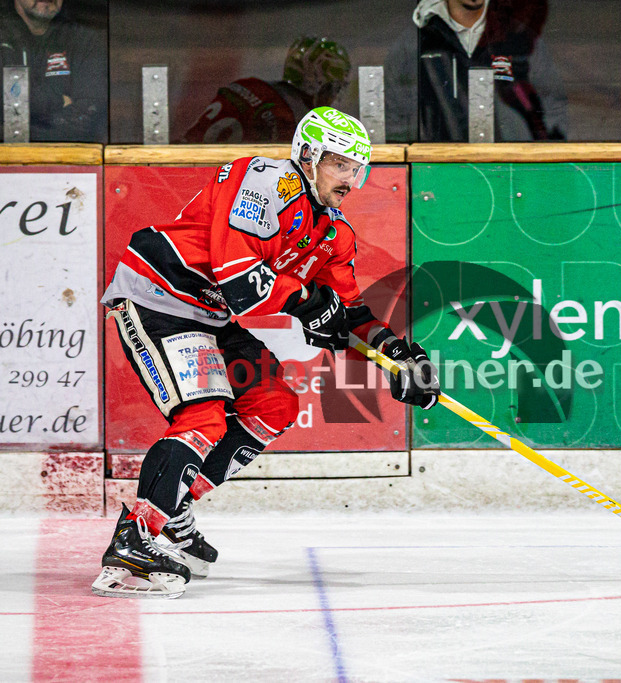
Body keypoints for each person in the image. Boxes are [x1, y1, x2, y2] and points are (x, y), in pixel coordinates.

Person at [92, 107, 441, 599]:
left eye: (356, 168)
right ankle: (134, 539)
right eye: (339, 164)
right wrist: (308, 303)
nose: (349, 179)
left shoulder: (333, 233)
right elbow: (240, 280)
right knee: (203, 418)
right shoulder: (262, 180)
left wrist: (399, 355)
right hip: (158, 296)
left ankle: (170, 509)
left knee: (274, 404)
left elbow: (349, 312)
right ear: (308, 156)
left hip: (210, 317)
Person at [384, 0, 568, 142]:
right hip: (436, 173)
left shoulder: (521, 40)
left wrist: (541, 165)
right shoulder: (413, 46)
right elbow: (394, 122)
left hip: (513, 172)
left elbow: (553, 111)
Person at [0, 0, 107, 142]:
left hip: (64, 157)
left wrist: (17, 126)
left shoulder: (84, 40)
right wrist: (56, 101)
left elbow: (88, 120)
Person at [180, 36, 351, 144]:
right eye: (332, 88)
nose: (332, 97)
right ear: (316, 83)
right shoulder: (286, 116)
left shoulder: (250, 86)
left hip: (189, 159)